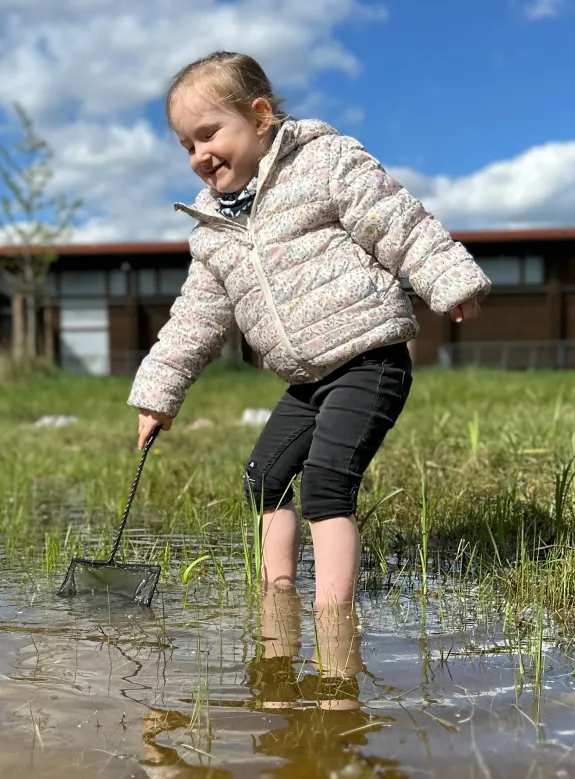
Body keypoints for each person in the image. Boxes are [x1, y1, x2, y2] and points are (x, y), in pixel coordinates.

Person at [128, 51, 490, 608]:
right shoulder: (213, 226)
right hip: (307, 380)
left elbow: (393, 219)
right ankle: (279, 600)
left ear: (259, 116)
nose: (200, 155)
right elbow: (195, 319)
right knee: (263, 477)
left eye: (208, 135)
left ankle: (333, 616)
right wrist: (158, 396)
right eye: (187, 146)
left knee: (326, 483)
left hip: (369, 360)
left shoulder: (323, 163)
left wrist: (447, 277)